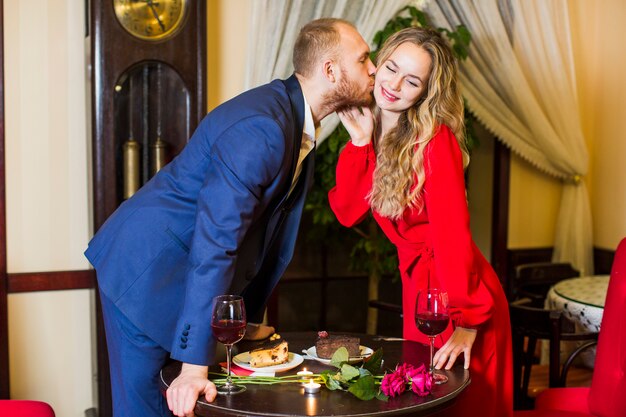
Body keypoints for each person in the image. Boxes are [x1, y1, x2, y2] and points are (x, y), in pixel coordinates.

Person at [85, 18, 375, 417]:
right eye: (363, 59)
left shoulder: (294, 121)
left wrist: (238, 320)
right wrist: (193, 365)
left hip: (176, 272)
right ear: (330, 70)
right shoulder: (265, 128)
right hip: (145, 271)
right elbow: (216, 241)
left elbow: (258, 233)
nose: (374, 68)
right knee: (147, 409)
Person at [328, 27, 513, 416]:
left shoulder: (435, 140)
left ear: (425, 92)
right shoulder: (370, 130)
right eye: (391, 68)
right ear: (378, 63)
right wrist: (361, 145)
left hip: (458, 296)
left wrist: (469, 321)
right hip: (421, 294)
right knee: (425, 403)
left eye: (411, 81)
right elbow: (346, 212)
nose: (394, 85)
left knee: (458, 406)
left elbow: (452, 238)